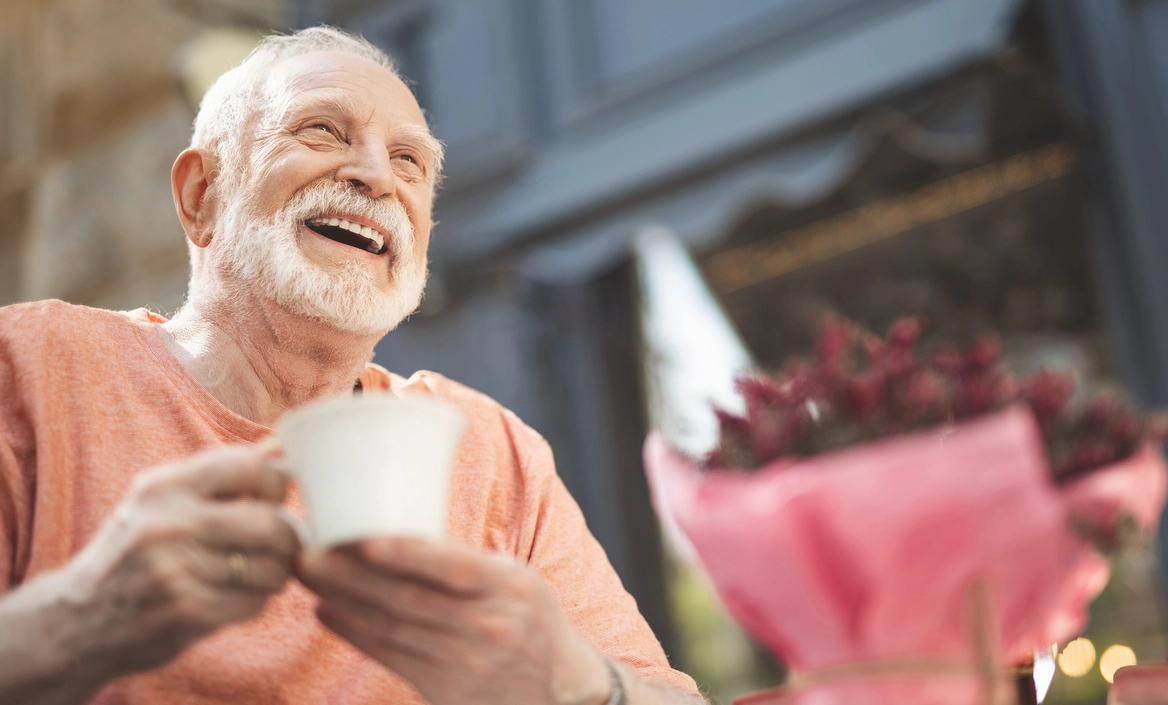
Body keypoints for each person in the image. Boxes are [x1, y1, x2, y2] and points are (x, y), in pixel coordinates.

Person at [0, 27, 703, 705]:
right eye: (322, 131)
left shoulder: (491, 452)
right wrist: (76, 618)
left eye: (410, 162)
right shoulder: (30, 367)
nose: (374, 175)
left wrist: (577, 682)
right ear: (200, 195)